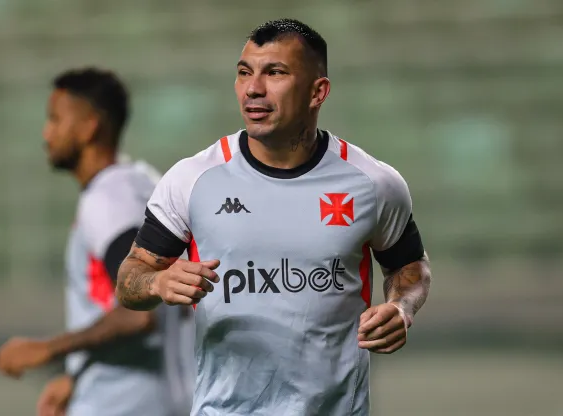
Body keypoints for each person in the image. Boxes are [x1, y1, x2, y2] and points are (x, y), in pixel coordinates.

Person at [115, 18, 433, 416]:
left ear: (318, 91)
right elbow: (129, 279)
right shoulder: (192, 179)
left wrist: (401, 307)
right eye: (244, 73)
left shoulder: (373, 184)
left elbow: (410, 266)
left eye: (275, 73)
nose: (253, 88)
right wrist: (158, 281)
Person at [0, 67, 193, 416]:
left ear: (89, 128)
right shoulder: (140, 183)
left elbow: (139, 308)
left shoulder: (106, 199)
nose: (46, 133)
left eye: (55, 119)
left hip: (120, 404)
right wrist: (76, 373)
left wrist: (50, 349)